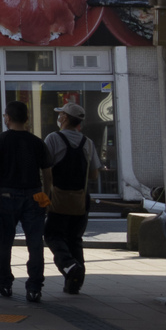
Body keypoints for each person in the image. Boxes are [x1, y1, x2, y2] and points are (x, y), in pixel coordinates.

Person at [0, 100, 53, 301]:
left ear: (8, 118)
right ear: (27, 119)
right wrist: (46, 195)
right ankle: (34, 287)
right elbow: (48, 172)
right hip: (34, 195)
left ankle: (4, 283)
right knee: (35, 243)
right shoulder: (37, 142)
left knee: (4, 242)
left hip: (7, 195)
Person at [45, 101, 101, 294]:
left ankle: (68, 265)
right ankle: (75, 282)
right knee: (75, 239)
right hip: (80, 200)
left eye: (61, 114)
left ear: (65, 118)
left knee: (53, 235)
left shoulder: (53, 139)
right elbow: (94, 174)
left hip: (58, 199)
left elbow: (46, 169)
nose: (58, 116)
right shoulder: (88, 142)